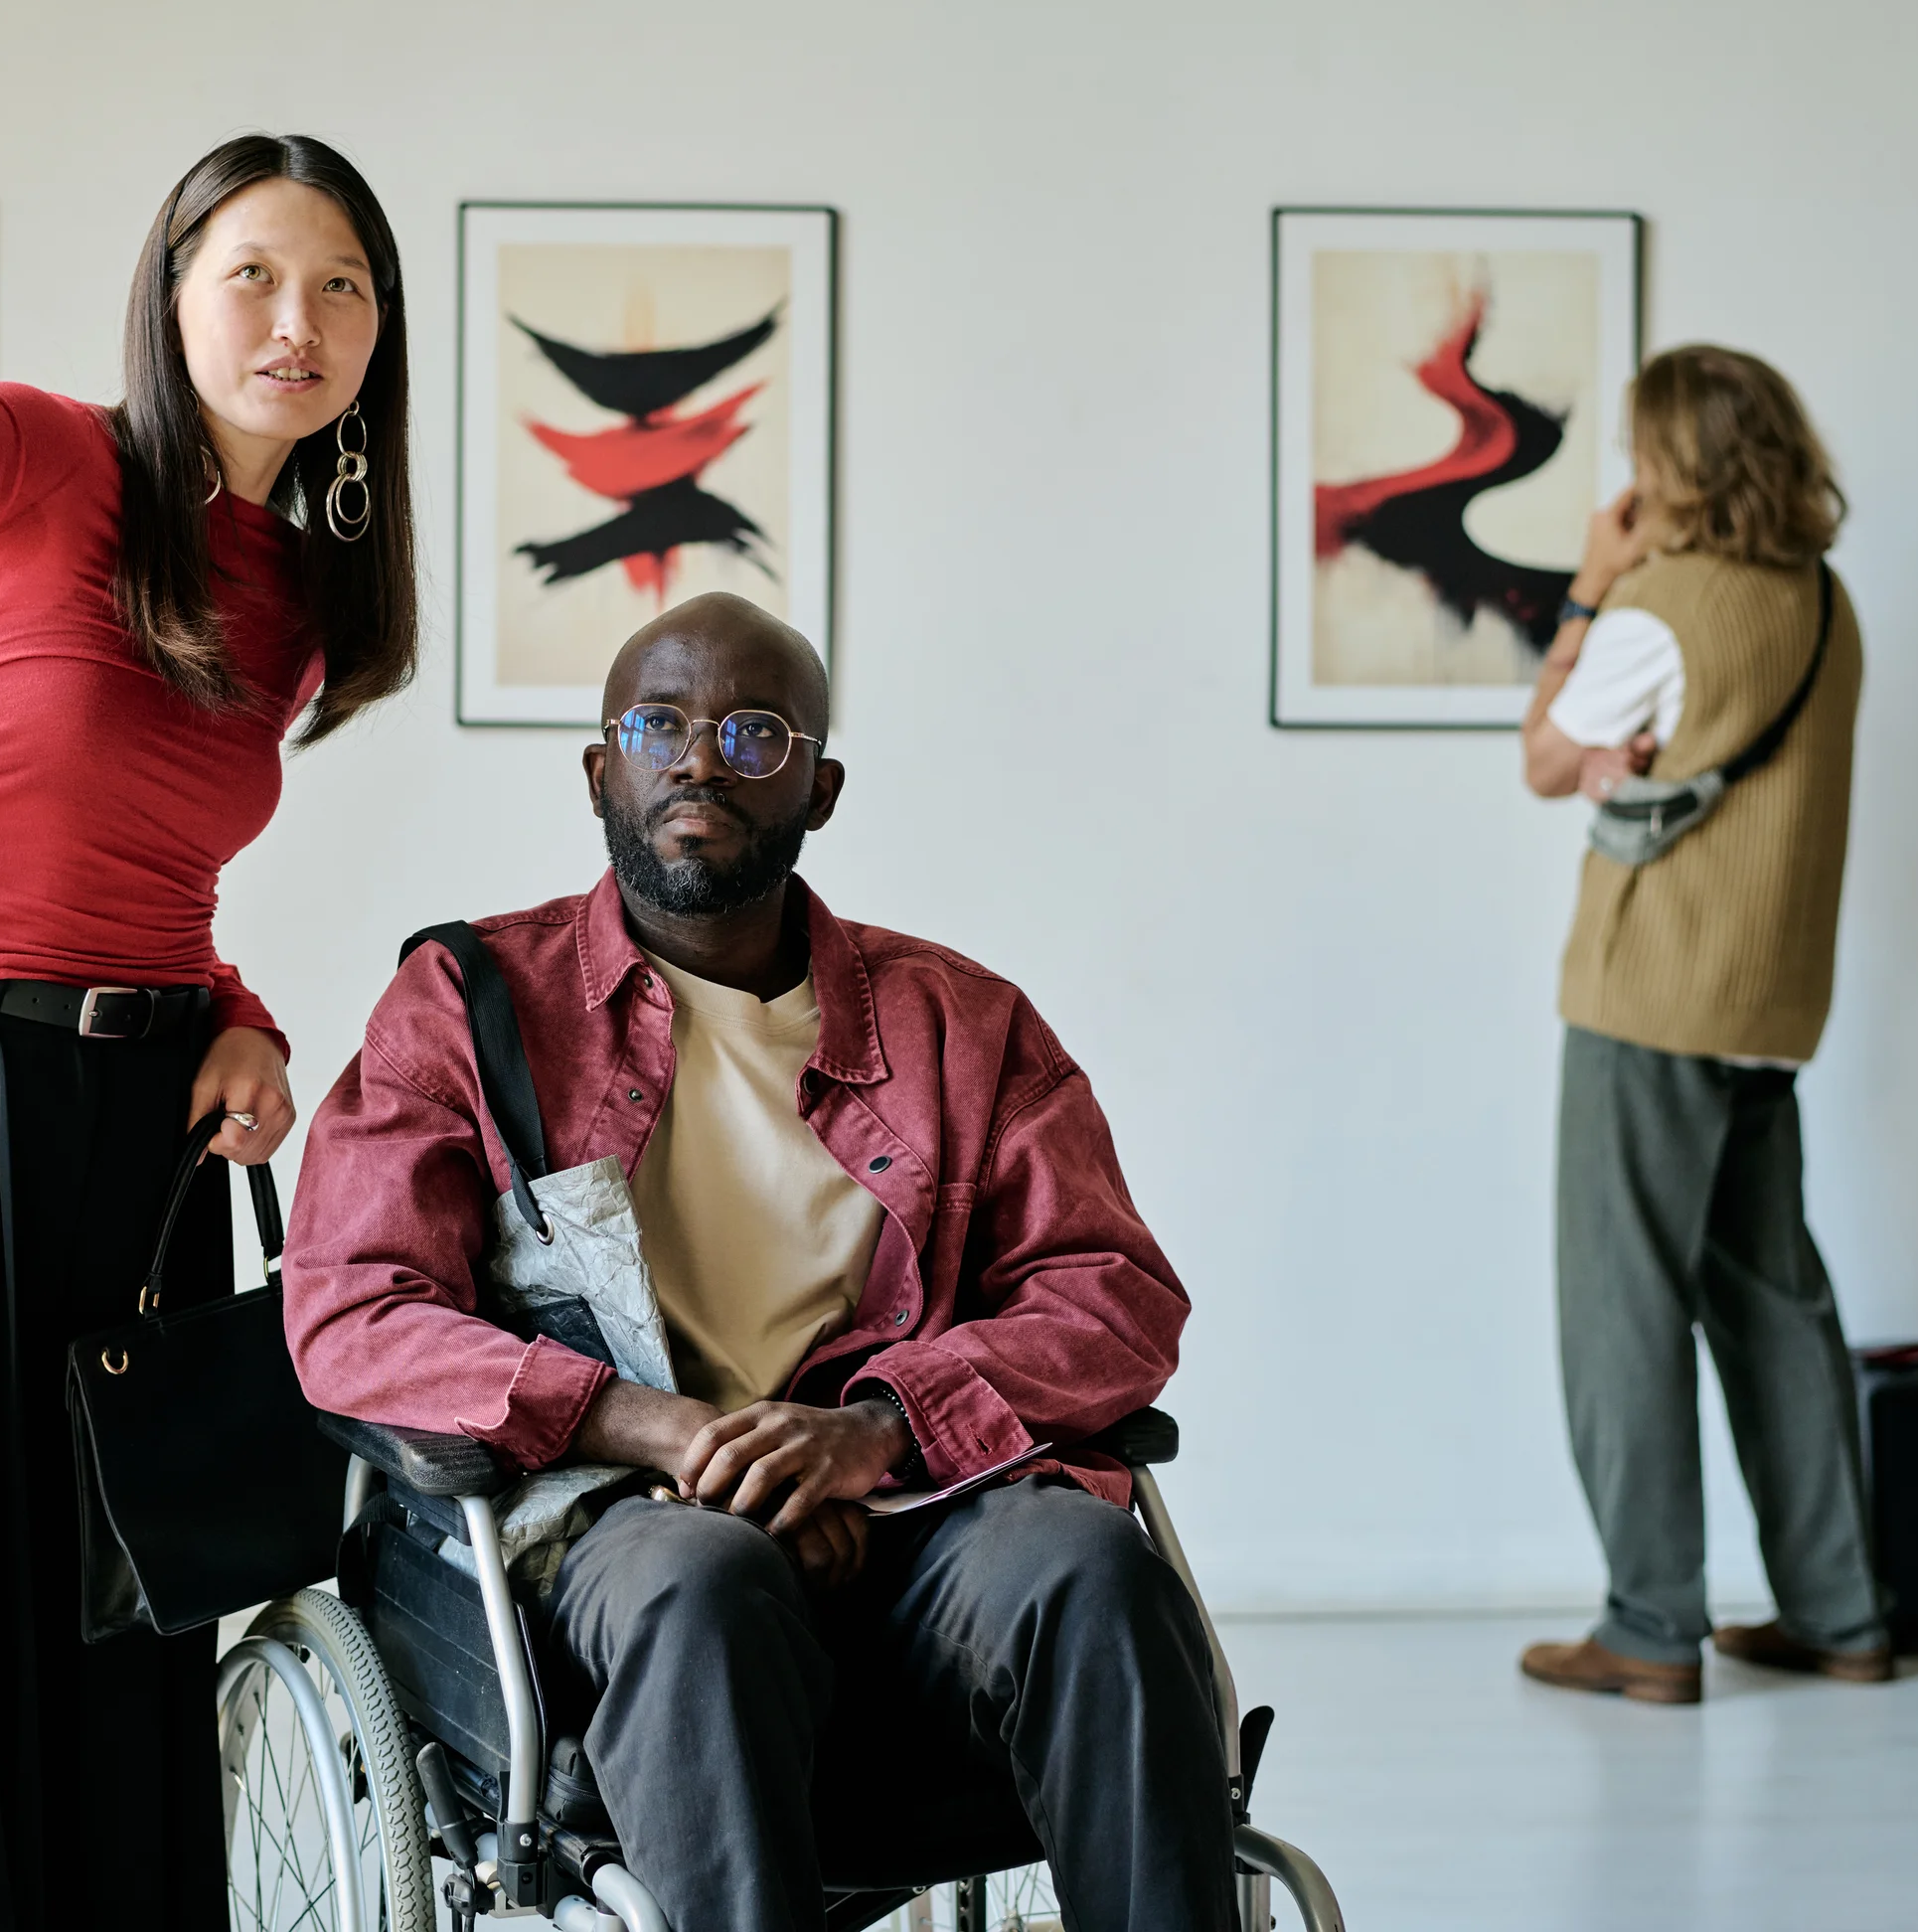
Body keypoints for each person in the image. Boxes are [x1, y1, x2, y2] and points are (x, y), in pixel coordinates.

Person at [0, 33, 418, 1931]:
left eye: (342, 287)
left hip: (124, 1135)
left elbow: (151, 870)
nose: (298, 321)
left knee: (120, 1609)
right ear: (173, 298)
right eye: (253, 275)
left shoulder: (297, 603)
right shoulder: (55, 464)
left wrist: (235, 1011)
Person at [283, 594, 1236, 1931]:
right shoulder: (466, 1007)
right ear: (599, 772)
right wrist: (664, 1433)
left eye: (752, 733)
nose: (698, 760)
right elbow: (357, 1310)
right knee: (705, 1580)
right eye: (656, 726)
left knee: (1092, 1567)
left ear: (821, 790)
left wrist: (877, 1434)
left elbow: (1112, 1294)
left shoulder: (961, 1026)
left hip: (907, 1520)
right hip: (624, 1526)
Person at [1515, 345, 1884, 1705]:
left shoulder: (1659, 607)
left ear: (1678, 463)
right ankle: (1842, 1612)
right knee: (1775, 1301)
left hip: (1652, 995)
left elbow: (1545, 760)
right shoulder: (1827, 601)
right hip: (1770, 1002)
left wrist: (1588, 585)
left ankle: (1650, 1627)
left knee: (1624, 1305)